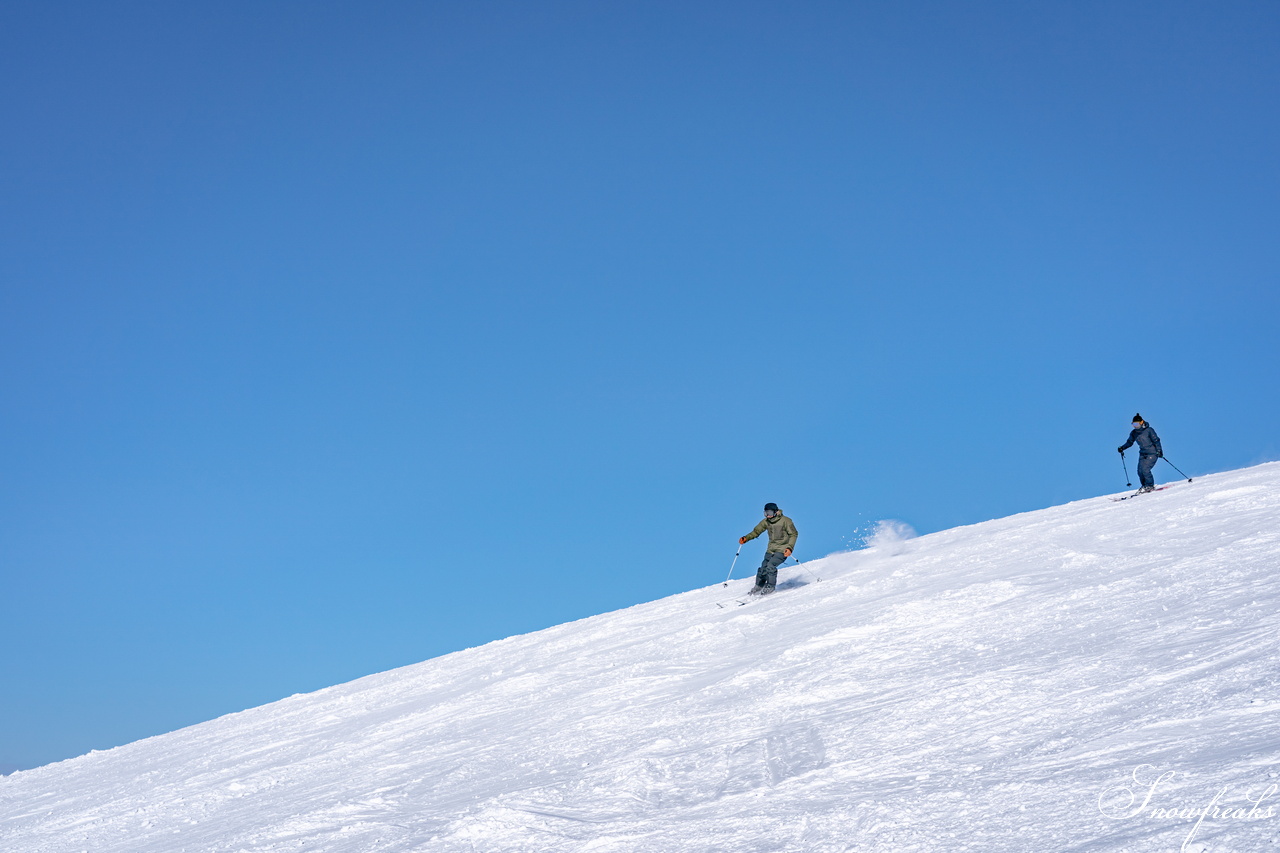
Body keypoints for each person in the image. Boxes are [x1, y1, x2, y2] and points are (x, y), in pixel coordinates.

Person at [739, 503, 798, 595]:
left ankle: (770, 587)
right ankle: (758, 586)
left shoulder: (786, 521)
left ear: (776, 512)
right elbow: (756, 531)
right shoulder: (766, 522)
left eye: (769, 512)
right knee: (763, 568)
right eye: (766, 513)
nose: (768, 515)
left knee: (770, 566)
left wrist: (789, 548)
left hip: (783, 549)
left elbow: (794, 534)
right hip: (771, 549)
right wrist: (746, 538)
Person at [1118, 413, 1163, 493]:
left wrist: (1159, 450)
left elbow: (1156, 441)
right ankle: (1145, 486)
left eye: (1137, 424)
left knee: (1145, 469)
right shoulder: (1134, 433)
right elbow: (1130, 442)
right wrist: (1122, 447)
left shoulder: (1149, 430)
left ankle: (1149, 485)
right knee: (1140, 471)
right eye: (1133, 424)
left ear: (1142, 423)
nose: (1135, 426)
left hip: (1152, 453)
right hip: (1142, 454)